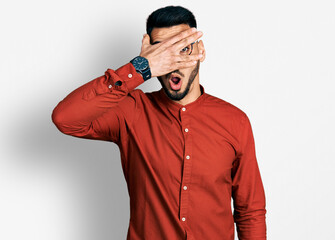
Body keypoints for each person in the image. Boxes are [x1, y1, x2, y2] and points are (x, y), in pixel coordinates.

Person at [51, 5, 267, 240]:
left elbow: (250, 211)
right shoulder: (131, 111)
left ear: (200, 51)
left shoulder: (235, 121)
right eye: (163, 52)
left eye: (183, 49)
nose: (174, 62)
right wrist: (139, 68)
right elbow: (66, 118)